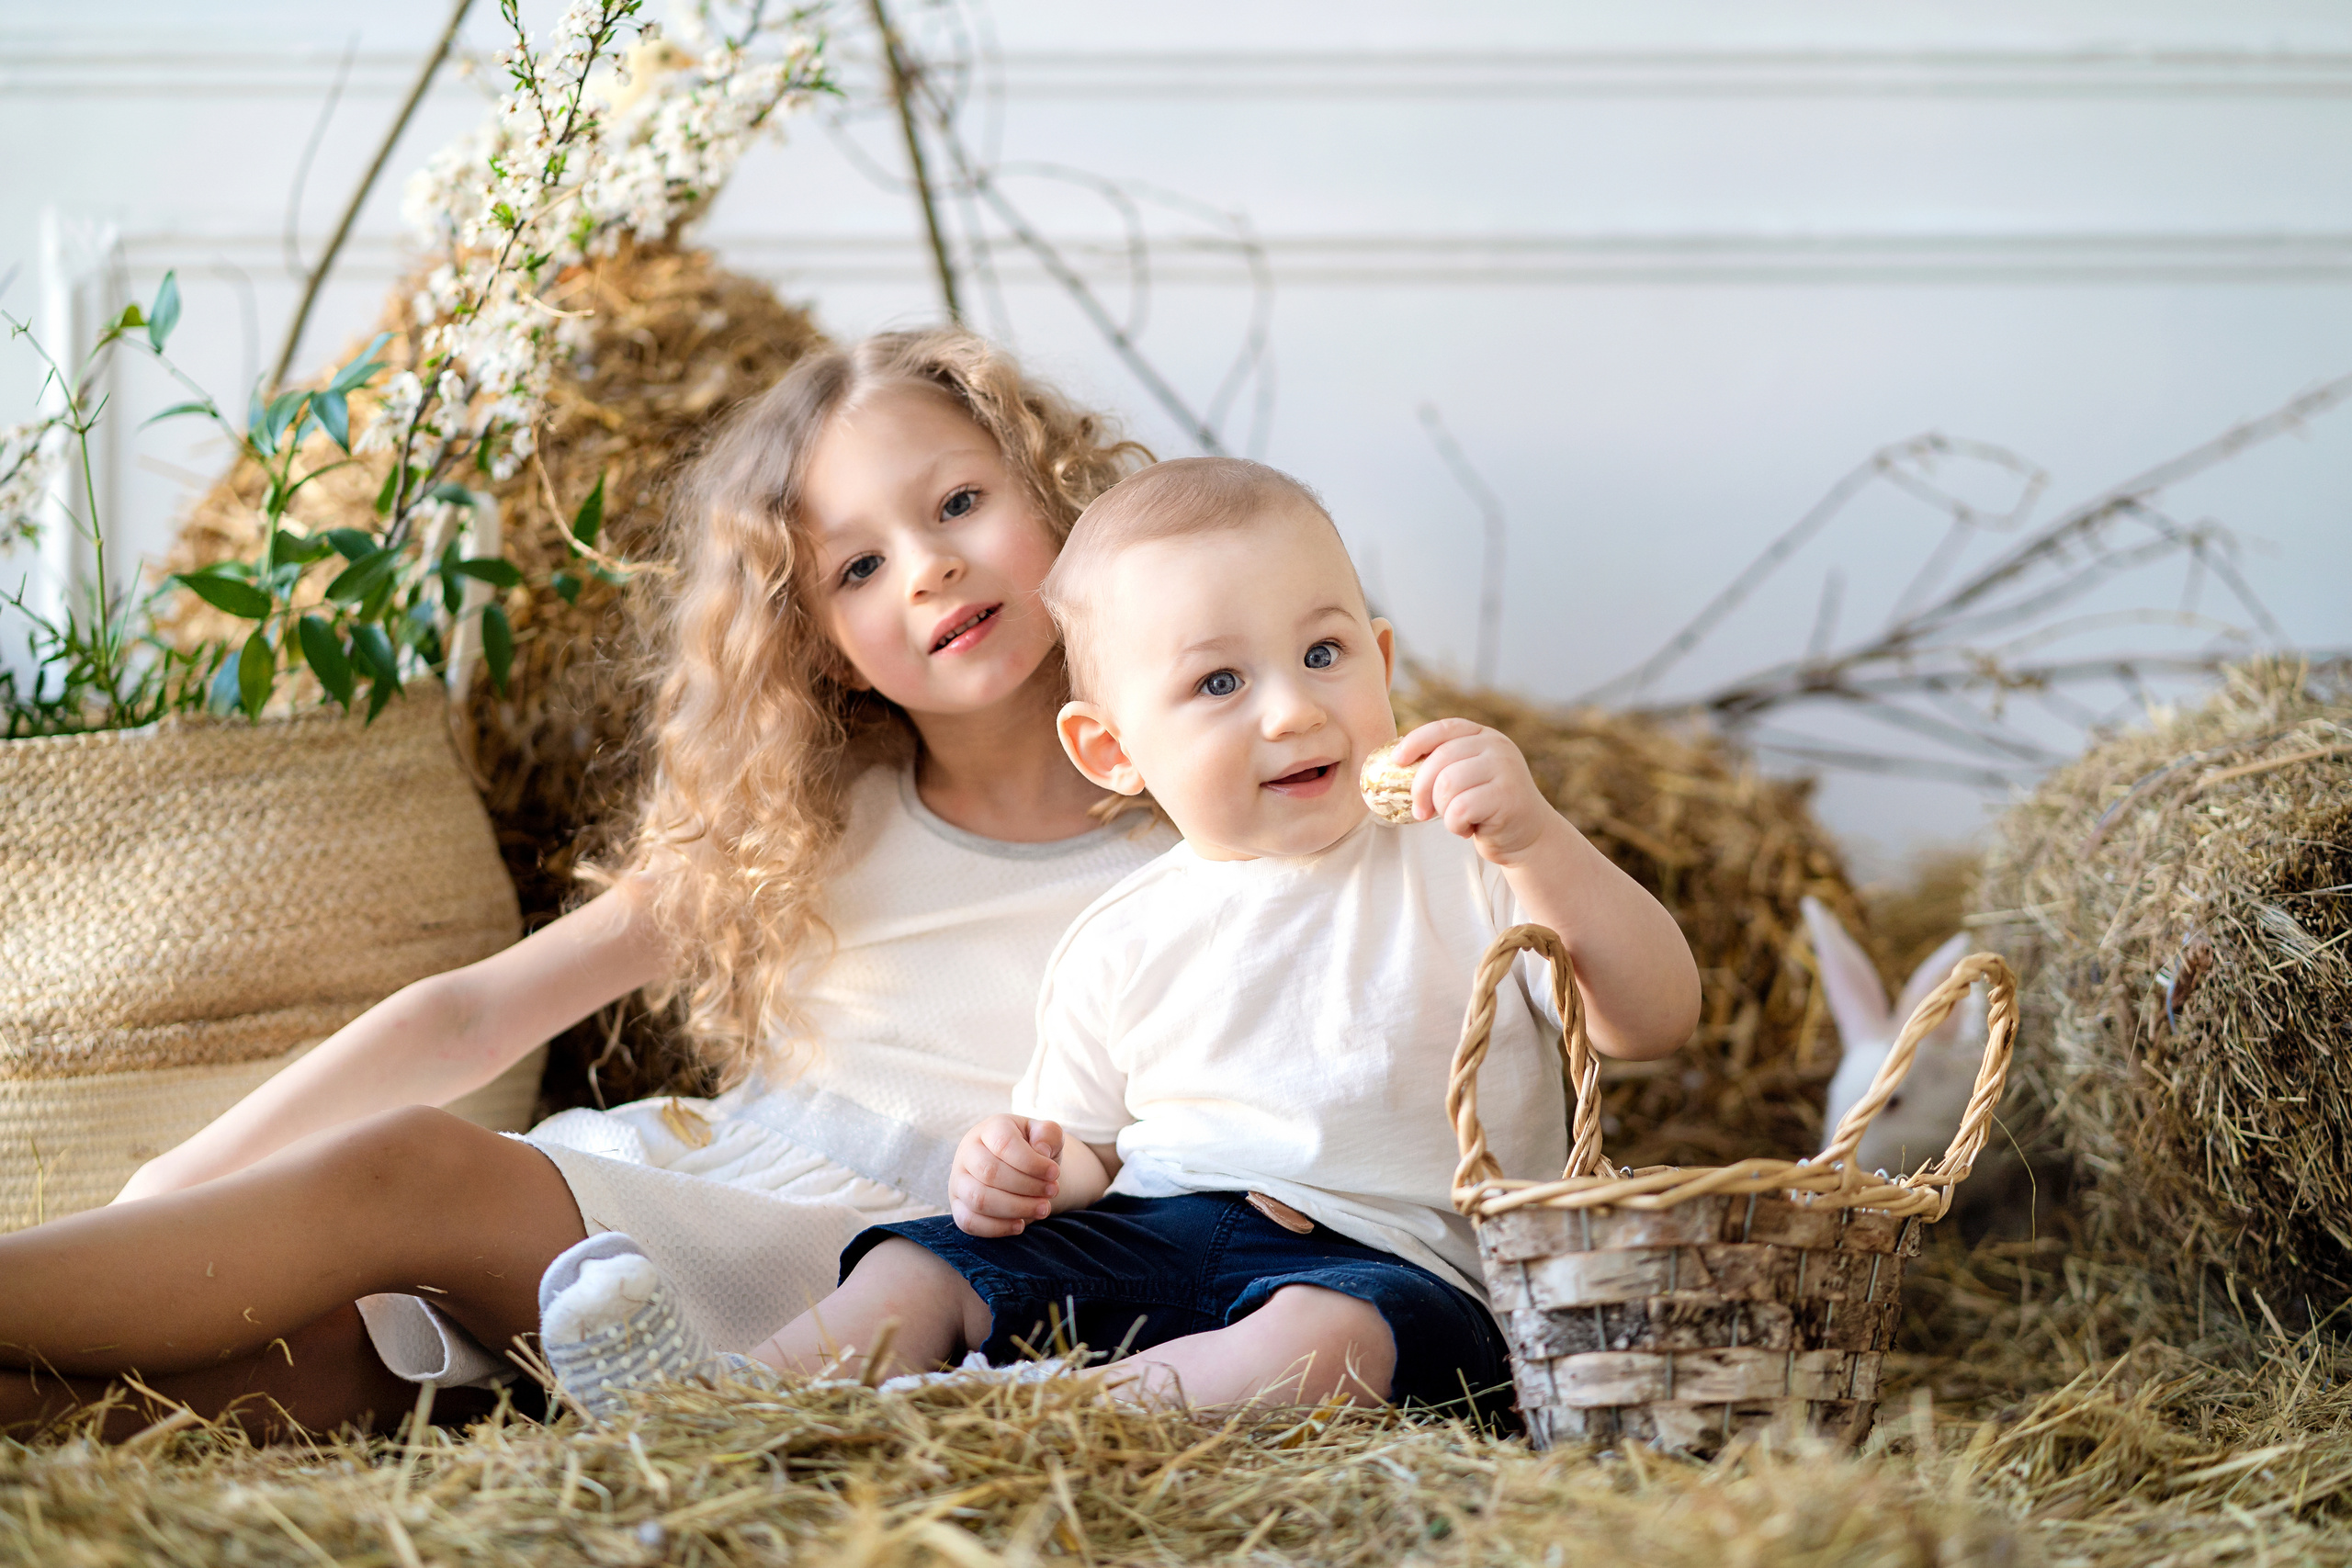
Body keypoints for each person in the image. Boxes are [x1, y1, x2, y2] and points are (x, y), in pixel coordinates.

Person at [0, 330, 1176, 1440]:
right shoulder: (817, 812)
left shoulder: (1198, 843)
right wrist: (167, 1184)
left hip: (888, 1271)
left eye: (961, 503)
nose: (929, 570)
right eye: (858, 566)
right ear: (814, 639)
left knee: (416, 1171)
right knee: (298, 1362)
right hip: (688, 1215)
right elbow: (473, 1013)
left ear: (1057, 493)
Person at [539, 457, 1701, 1419]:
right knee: (920, 1260)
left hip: (1393, 1264)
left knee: (1329, 1343)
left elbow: (1651, 1020)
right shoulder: (1125, 932)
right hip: (1159, 1232)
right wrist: (1023, 1168)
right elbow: (1085, 1147)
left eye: (1324, 655)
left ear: (1383, 666)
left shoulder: (1471, 863)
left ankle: (1027, 1423)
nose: (1292, 708)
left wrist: (1538, 836)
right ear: (1113, 753)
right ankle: (712, 1412)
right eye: (1219, 683)